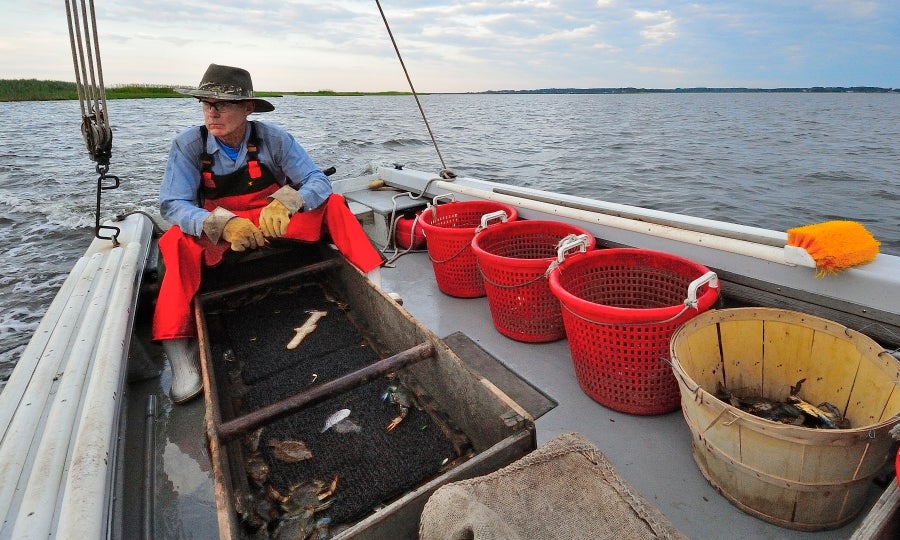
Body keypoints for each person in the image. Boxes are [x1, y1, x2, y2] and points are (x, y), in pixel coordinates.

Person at [154, 64, 384, 403]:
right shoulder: (188, 145)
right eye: (206, 103)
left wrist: (289, 201)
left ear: (248, 108)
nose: (212, 112)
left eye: (223, 104)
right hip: (224, 229)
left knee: (334, 204)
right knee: (174, 241)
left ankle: (376, 284)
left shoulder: (274, 138)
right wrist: (224, 224)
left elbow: (318, 181)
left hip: (271, 220)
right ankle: (181, 353)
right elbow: (173, 204)